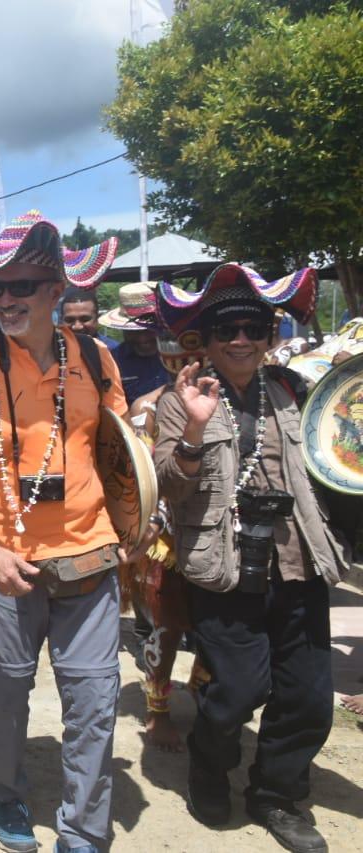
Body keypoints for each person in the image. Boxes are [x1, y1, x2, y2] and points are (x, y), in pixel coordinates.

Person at [0, 210, 123, 853]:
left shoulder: (96, 358)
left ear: (56, 290)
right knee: (6, 694)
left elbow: (123, 459)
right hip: (3, 565)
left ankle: (85, 829)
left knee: (94, 701)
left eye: (21, 287)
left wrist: (138, 525)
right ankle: (6, 793)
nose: (3, 299)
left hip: (91, 560)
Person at [153, 264, 350, 853]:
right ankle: (209, 768)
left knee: (310, 699)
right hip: (225, 566)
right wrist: (192, 429)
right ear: (208, 339)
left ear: (270, 335)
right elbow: (167, 485)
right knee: (238, 692)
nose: (240, 339)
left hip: (300, 561)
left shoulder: (298, 391)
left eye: (253, 327)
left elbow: (336, 459)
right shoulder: (180, 396)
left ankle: (276, 794)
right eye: (227, 329)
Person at [115, 292, 211, 752]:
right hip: (166, 539)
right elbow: (134, 478)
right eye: (175, 349)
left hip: (218, 539)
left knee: (216, 626)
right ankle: (157, 710)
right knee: (166, 628)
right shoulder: (145, 408)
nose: (184, 360)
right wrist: (142, 529)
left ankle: (204, 684)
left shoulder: (224, 402)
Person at [100, 284, 170, 405]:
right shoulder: (112, 362)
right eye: (133, 332)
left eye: (149, 330)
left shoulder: (184, 355)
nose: (142, 338)